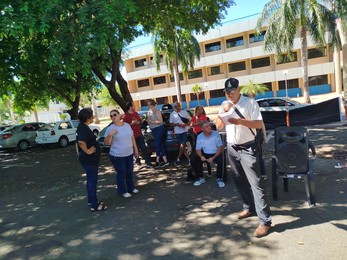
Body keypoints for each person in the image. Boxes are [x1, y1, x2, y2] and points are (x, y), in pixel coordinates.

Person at [216, 77, 272, 238]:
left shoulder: (250, 103)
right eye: (226, 92)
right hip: (231, 148)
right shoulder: (224, 104)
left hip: (248, 147)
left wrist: (239, 121)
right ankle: (249, 207)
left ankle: (265, 221)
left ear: (238, 89)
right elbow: (219, 126)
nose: (229, 94)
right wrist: (224, 113)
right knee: (239, 179)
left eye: (232, 91)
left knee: (256, 184)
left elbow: (257, 124)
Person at [76, 108, 107, 212]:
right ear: (87, 117)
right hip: (89, 160)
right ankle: (93, 204)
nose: (93, 117)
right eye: (92, 115)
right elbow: (81, 142)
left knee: (92, 180)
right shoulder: (83, 128)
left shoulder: (83, 127)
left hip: (89, 159)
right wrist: (88, 151)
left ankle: (92, 202)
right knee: (92, 181)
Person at [104, 109, 139, 198]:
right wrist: (110, 135)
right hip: (117, 155)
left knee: (129, 171)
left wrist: (136, 149)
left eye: (115, 115)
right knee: (121, 172)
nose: (113, 117)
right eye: (111, 116)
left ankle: (131, 188)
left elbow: (132, 137)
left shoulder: (127, 125)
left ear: (119, 115)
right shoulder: (110, 128)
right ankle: (122, 191)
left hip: (129, 153)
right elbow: (106, 143)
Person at [190, 121, 225, 188]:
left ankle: (219, 178)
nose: (209, 128)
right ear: (203, 129)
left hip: (215, 153)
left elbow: (220, 148)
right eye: (207, 127)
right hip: (205, 153)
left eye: (209, 126)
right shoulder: (200, 136)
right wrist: (201, 156)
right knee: (193, 159)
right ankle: (200, 177)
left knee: (221, 160)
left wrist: (213, 157)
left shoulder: (216, 134)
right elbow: (198, 149)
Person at [123, 102, 153, 168]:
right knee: (135, 149)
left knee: (143, 148)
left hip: (139, 133)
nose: (134, 107)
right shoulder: (125, 116)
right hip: (131, 136)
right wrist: (132, 123)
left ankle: (148, 162)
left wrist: (138, 122)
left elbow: (140, 122)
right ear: (130, 107)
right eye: (133, 106)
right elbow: (124, 126)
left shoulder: (136, 113)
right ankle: (138, 163)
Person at [147, 99, 169, 168]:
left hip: (159, 128)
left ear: (151, 104)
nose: (147, 105)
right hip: (153, 129)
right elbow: (149, 120)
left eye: (148, 104)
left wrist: (151, 121)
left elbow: (160, 121)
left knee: (157, 144)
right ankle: (165, 161)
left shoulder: (157, 111)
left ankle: (157, 161)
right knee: (160, 144)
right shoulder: (149, 112)